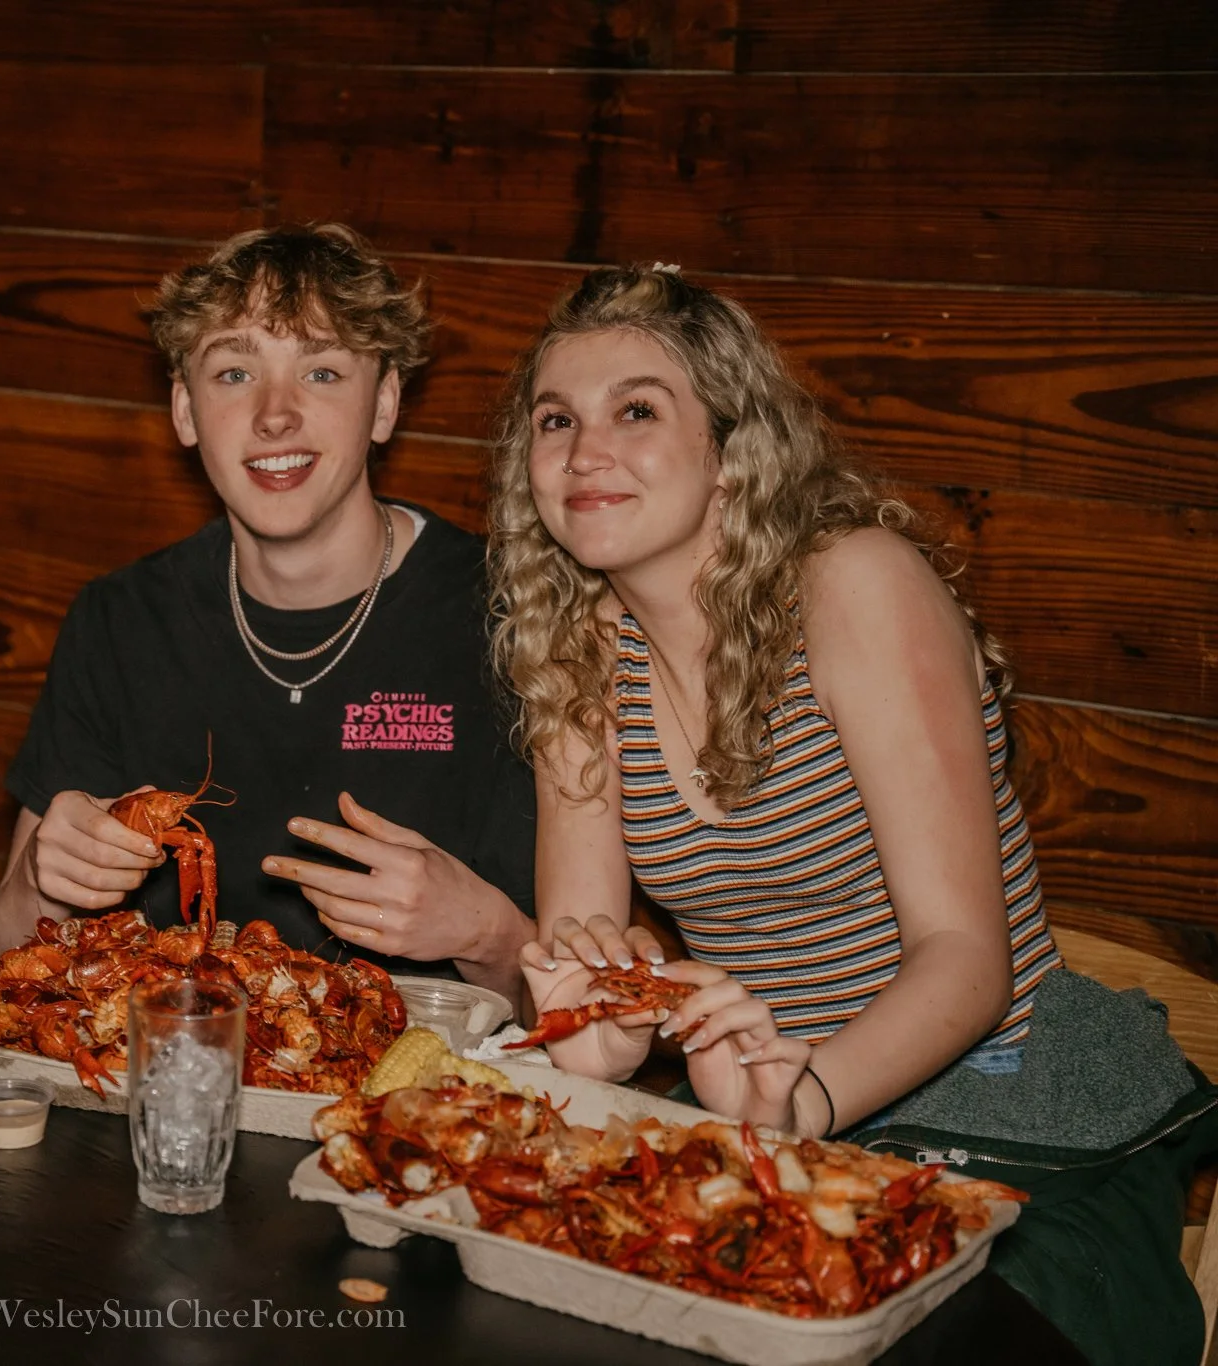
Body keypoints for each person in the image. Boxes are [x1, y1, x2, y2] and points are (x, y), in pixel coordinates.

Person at [492, 262, 1217, 1365]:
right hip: (773, 1111)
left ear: (731, 451)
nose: (584, 449)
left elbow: (965, 962)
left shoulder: (851, 585)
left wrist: (802, 1103)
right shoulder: (572, 649)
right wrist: (588, 1026)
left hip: (1000, 1097)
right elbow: (600, 1002)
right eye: (556, 420)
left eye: (635, 409)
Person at [0, 224, 536, 997]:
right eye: (235, 372)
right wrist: (43, 885)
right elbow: (4, 946)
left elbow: (594, 1020)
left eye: (323, 371)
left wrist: (487, 932)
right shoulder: (118, 619)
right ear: (184, 410)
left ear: (385, 404)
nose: (276, 415)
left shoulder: (519, 617)